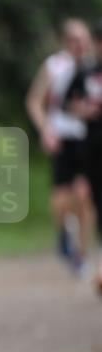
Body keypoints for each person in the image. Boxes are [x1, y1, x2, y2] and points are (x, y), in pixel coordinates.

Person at [26, 19, 93, 273]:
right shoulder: (54, 66)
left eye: (83, 39)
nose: (80, 44)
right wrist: (46, 130)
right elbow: (34, 101)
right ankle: (65, 231)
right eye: (74, 39)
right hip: (61, 137)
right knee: (61, 199)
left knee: (84, 195)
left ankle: (81, 255)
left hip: (87, 140)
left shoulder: (93, 67)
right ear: (66, 41)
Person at [65, 19, 102, 295]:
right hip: (92, 149)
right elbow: (69, 103)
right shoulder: (86, 72)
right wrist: (82, 110)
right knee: (95, 205)